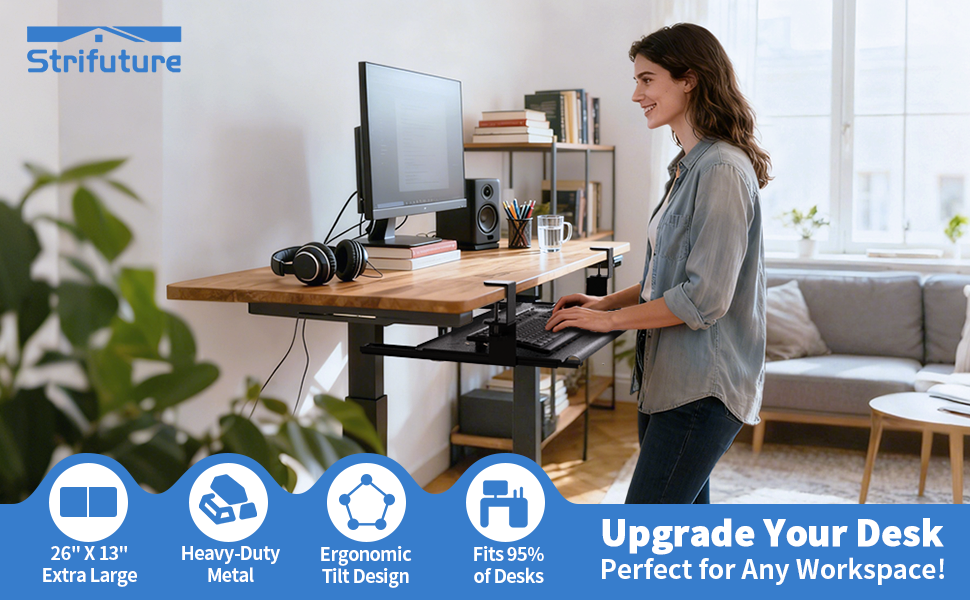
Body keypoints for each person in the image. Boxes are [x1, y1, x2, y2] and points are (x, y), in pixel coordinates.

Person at [545, 23, 771, 504]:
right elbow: (664, 278)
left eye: (647, 80)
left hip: (701, 390)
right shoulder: (687, 166)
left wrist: (610, 324)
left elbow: (704, 297)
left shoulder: (721, 170)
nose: (635, 94)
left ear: (688, 79)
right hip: (669, 380)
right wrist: (604, 303)